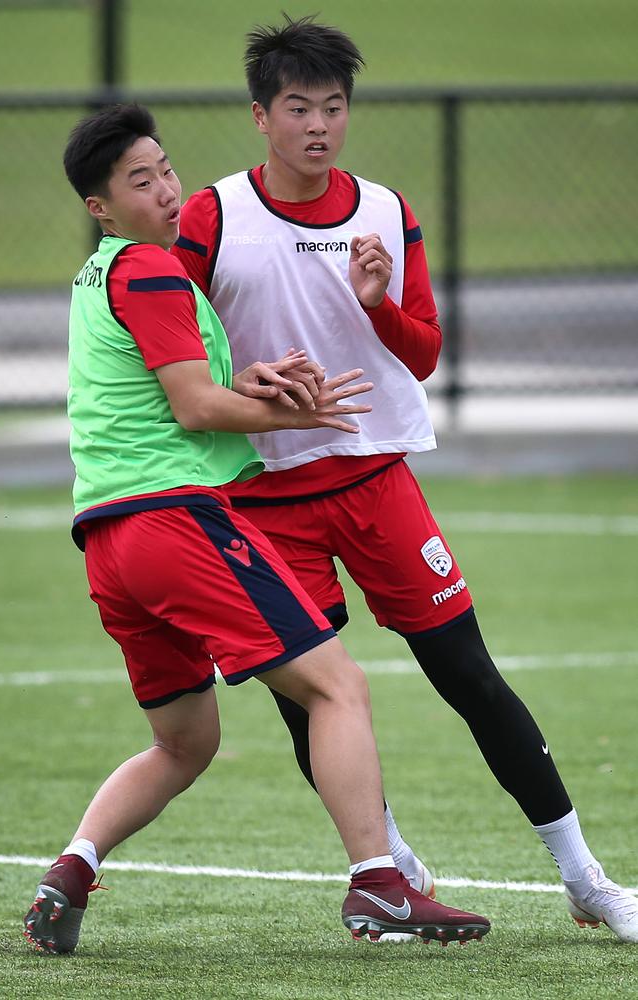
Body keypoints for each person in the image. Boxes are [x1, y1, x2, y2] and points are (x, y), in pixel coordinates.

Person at [172, 15, 638, 943]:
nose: (319, 125)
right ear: (260, 115)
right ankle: (387, 864)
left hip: (378, 481)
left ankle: (585, 877)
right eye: (298, 107)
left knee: (469, 673)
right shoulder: (211, 217)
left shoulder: (385, 210)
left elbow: (421, 355)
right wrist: (239, 383)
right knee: (310, 698)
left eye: (334, 107)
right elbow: (176, 353)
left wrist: (380, 306)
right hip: (262, 497)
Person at [22, 103, 490, 956]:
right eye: (141, 181)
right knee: (338, 687)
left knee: (183, 741)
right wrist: (295, 406)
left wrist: (265, 383)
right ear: (99, 205)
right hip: (173, 522)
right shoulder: (155, 274)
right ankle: (380, 887)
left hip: (106, 543)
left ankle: (71, 872)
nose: (167, 189)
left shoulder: (101, 276)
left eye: (165, 169)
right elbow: (196, 403)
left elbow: (169, 382)